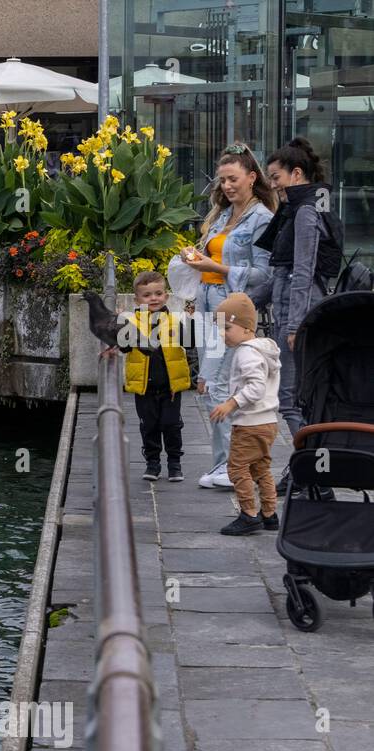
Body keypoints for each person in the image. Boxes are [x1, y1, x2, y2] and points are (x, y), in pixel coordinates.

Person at [182, 143, 276, 489]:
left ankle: (230, 465)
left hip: (230, 307)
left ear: (252, 178)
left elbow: (264, 274)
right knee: (211, 384)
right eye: (222, 180)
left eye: (233, 179)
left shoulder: (263, 218)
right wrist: (195, 261)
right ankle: (228, 462)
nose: (226, 186)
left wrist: (215, 266)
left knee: (217, 383)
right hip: (208, 301)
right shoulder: (223, 215)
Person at [256, 137, 338, 439]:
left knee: (289, 399)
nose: (274, 185)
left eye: (276, 177)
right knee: (295, 398)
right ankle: (309, 469)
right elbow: (282, 273)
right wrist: (243, 302)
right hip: (293, 311)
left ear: (297, 174)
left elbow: (303, 271)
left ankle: (313, 469)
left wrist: (294, 328)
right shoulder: (302, 207)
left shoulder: (305, 212)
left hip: (297, 314)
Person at [85, 271, 201, 483]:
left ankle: (175, 464)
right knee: (149, 426)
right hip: (144, 386)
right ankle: (152, 463)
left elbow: (190, 343)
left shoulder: (175, 322)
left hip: (171, 387)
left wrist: (192, 321)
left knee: (171, 425)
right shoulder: (131, 322)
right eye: (147, 295)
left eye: (158, 293)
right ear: (137, 300)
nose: (154, 298)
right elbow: (127, 347)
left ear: (166, 296)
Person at [208, 293, 281, 535]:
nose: (222, 334)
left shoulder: (246, 352)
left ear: (247, 327)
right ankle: (270, 514)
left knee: (236, 468)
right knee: (260, 467)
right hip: (268, 421)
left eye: (227, 327)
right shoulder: (262, 348)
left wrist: (231, 403)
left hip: (250, 423)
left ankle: (249, 514)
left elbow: (256, 387)